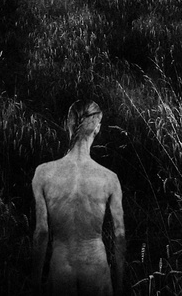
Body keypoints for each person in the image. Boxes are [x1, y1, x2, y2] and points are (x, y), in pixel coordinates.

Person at [32, 101, 126, 295]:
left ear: (68, 124)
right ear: (97, 128)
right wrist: (119, 285)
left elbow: (42, 232)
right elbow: (119, 235)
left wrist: (36, 282)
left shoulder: (43, 173)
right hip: (96, 272)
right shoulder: (109, 178)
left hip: (61, 272)